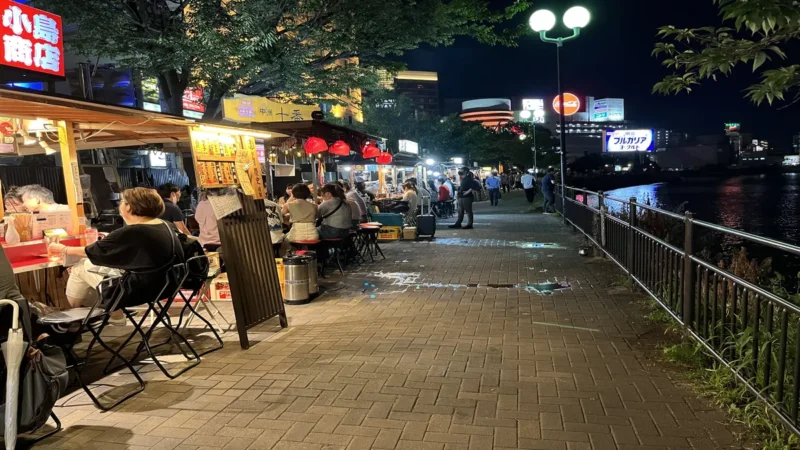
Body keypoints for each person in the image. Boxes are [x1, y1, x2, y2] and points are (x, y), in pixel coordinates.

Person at [48, 187, 185, 317]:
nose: (120, 205)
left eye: (122, 202)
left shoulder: (132, 231)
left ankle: (75, 318)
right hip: (167, 285)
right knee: (91, 267)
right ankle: (96, 313)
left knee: (79, 268)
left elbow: (93, 251)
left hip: (140, 290)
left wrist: (63, 249)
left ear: (129, 207)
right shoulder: (164, 225)